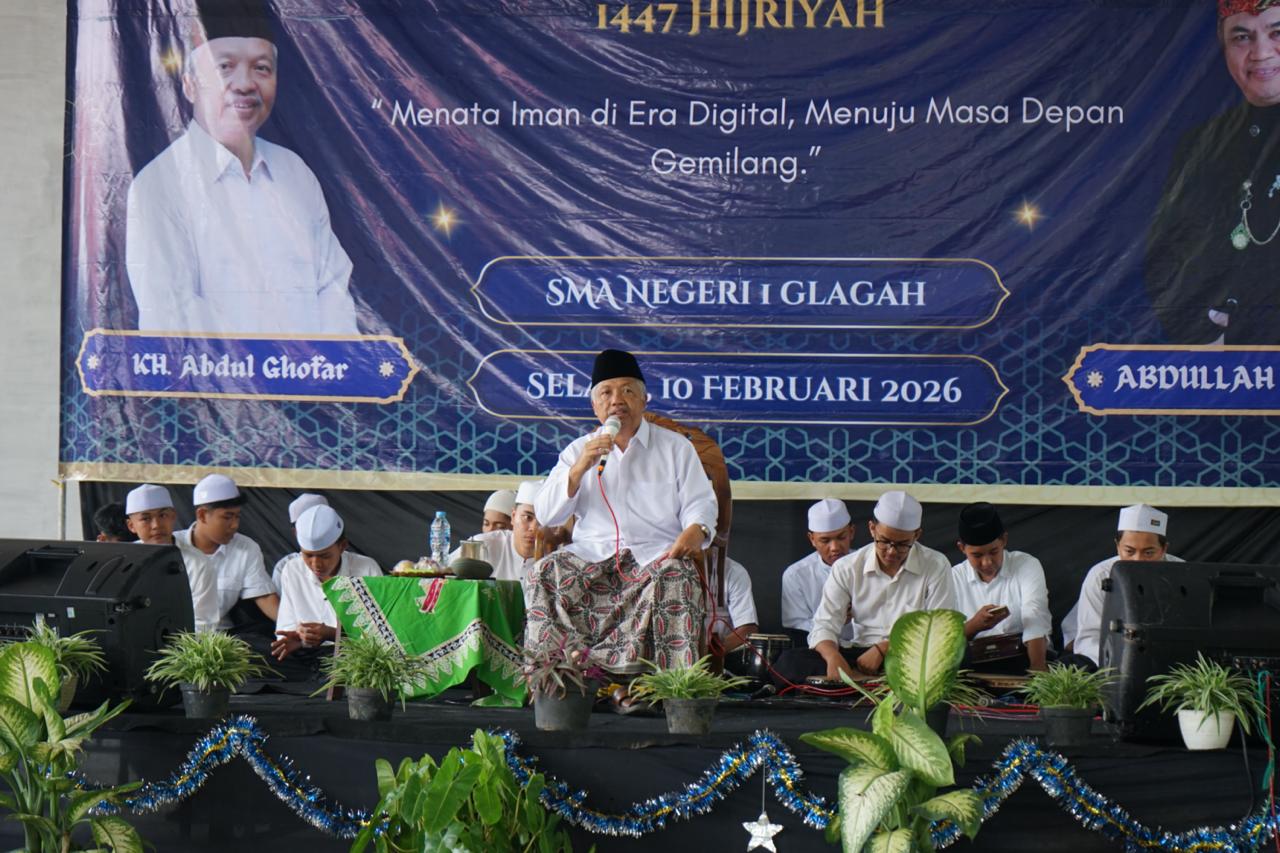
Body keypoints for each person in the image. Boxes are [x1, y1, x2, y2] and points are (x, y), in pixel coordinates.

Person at [125, 0, 359, 335]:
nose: (246, 84)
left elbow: (333, 290)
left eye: (261, 68)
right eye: (224, 67)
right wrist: (262, 371)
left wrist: (324, 373)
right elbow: (171, 319)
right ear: (190, 85)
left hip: (310, 384)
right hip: (215, 384)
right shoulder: (159, 186)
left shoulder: (296, 173)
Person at [528, 349, 717, 673]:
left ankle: (669, 689)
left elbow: (700, 502)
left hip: (656, 559)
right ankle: (561, 680)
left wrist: (696, 529)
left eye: (628, 391)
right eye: (607, 392)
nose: (617, 400)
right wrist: (578, 470)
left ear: (644, 400)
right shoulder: (578, 450)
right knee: (544, 572)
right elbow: (547, 517)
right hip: (593, 558)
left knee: (677, 575)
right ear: (594, 406)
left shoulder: (675, 447)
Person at [1144, 0, 1280, 344]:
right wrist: (1202, 338)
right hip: (1228, 371)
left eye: (1277, 33)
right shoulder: (1202, 144)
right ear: (1224, 49)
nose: (1261, 53)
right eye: (1242, 37)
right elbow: (1164, 253)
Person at [774, 491, 954, 685]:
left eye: (902, 544)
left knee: (956, 657)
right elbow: (824, 625)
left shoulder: (936, 564)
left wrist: (884, 648)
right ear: (872, 529)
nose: (892, 552)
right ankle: (871, 681)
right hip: (859, 654)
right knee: (789, 662)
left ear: (916, 535)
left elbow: (939, 628)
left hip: (910, 654)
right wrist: (832, 656)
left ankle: (852, 685)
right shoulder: (848, 567)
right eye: (884, 541)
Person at [1065, 504, 1184, 669]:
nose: (1138, 560)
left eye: (1149, 553)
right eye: (1129, 551)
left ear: (1164, 548)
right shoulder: (1100, 575)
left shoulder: (1182, 573)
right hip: (1111, 661)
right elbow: (1088, 637)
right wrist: (1122, 662)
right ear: (1117, 546)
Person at [950, 502, 1051, 672]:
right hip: (972, 668)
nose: (987, 562)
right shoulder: (954, 577)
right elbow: (944, 640)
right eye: (977, 555)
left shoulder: (1026, 565)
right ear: (962, 548)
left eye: (994, 552)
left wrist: (1037, 671)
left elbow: (1034, 615)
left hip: (1024, 659)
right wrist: (974, 625)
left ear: (1004, 540)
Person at [271, 505, 381, 661]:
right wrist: (299, 638)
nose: (316, 564)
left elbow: (379, 637)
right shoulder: (292, 569)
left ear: (342, 546)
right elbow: (285, 629)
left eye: (324, 556)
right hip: (306, 658)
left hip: (353, 658)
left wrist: (332, 634)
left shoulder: (367, 569)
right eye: (308, 555)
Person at [175, 473, 278, 633]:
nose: (235, 525)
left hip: (220, 642)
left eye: (237, 516)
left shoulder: (246, 548)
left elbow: (263, 596)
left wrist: (293, 627)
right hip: (171, 638)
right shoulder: (172, 547)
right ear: (202, 515)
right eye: (227, 517)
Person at [779, 499, 857, 647]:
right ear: (812, 539)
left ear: (851, 532)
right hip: (819, 649)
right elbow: (797, 626)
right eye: (825, 540)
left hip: (867, 647)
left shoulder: (868, 565)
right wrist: (833, 620)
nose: (834, 547)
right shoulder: (796, 575)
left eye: (841, 537)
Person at [449, 480, 545, 593]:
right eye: (527, 517)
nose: (533, 528)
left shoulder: (559, 557)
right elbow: (443, 574)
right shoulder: (483, 544)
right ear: (513, 517)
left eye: (542, 520)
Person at [270, 493, 329, 589]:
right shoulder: (284, 567)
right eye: (305, 525)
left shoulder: (353, 563)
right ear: (295, 532)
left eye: (319, 523)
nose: (312, 530)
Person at [709, 557, 760, 654]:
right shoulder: (672, 568)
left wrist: (710, 653)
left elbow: (748, 629)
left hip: (719, 659)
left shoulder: (733, 571)